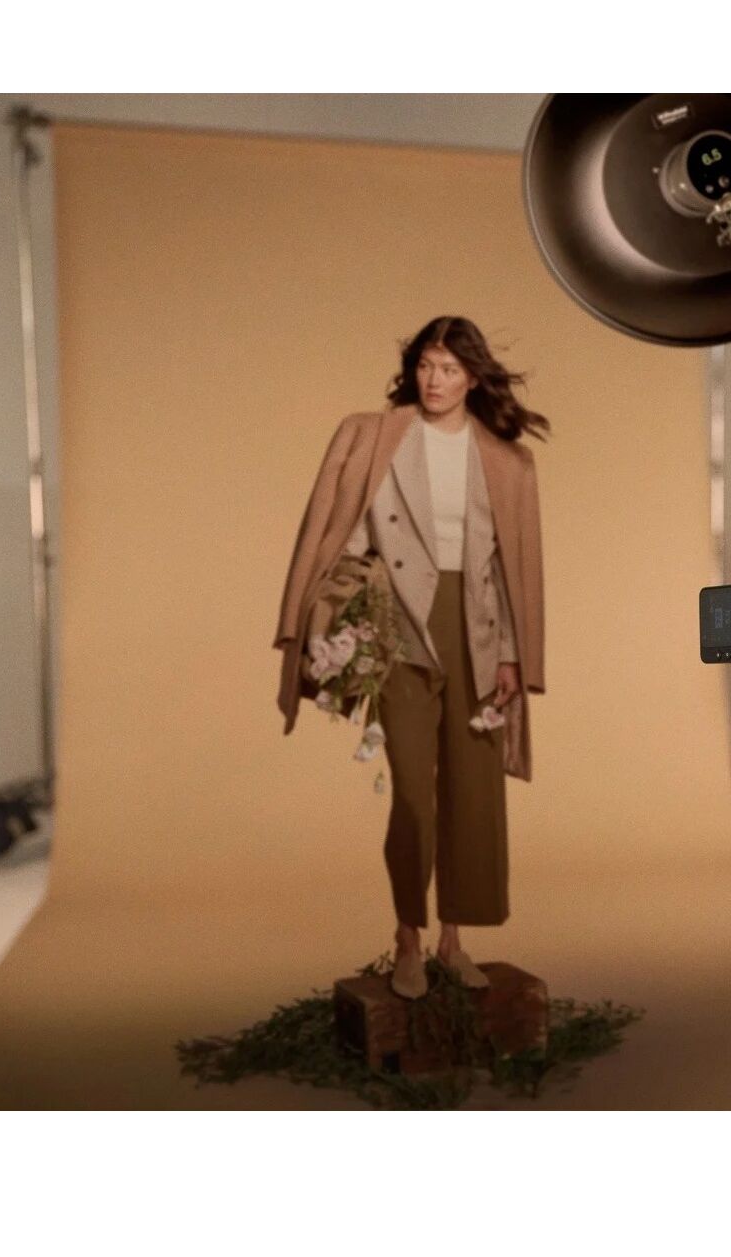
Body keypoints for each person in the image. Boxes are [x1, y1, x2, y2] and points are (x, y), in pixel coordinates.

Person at [274, 316, 547, 1000]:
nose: (434, 380)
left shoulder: (505, 459)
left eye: (450, 368)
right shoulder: (375, 435)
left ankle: (452, 941)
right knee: (413, 795)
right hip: (399, 625)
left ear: (473, 377)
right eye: (426, 364)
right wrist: (341, 613)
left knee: (473, 793)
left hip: (476, 629)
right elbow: (337, 529)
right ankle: (407, 937)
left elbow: (510, 567)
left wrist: (511, 656)